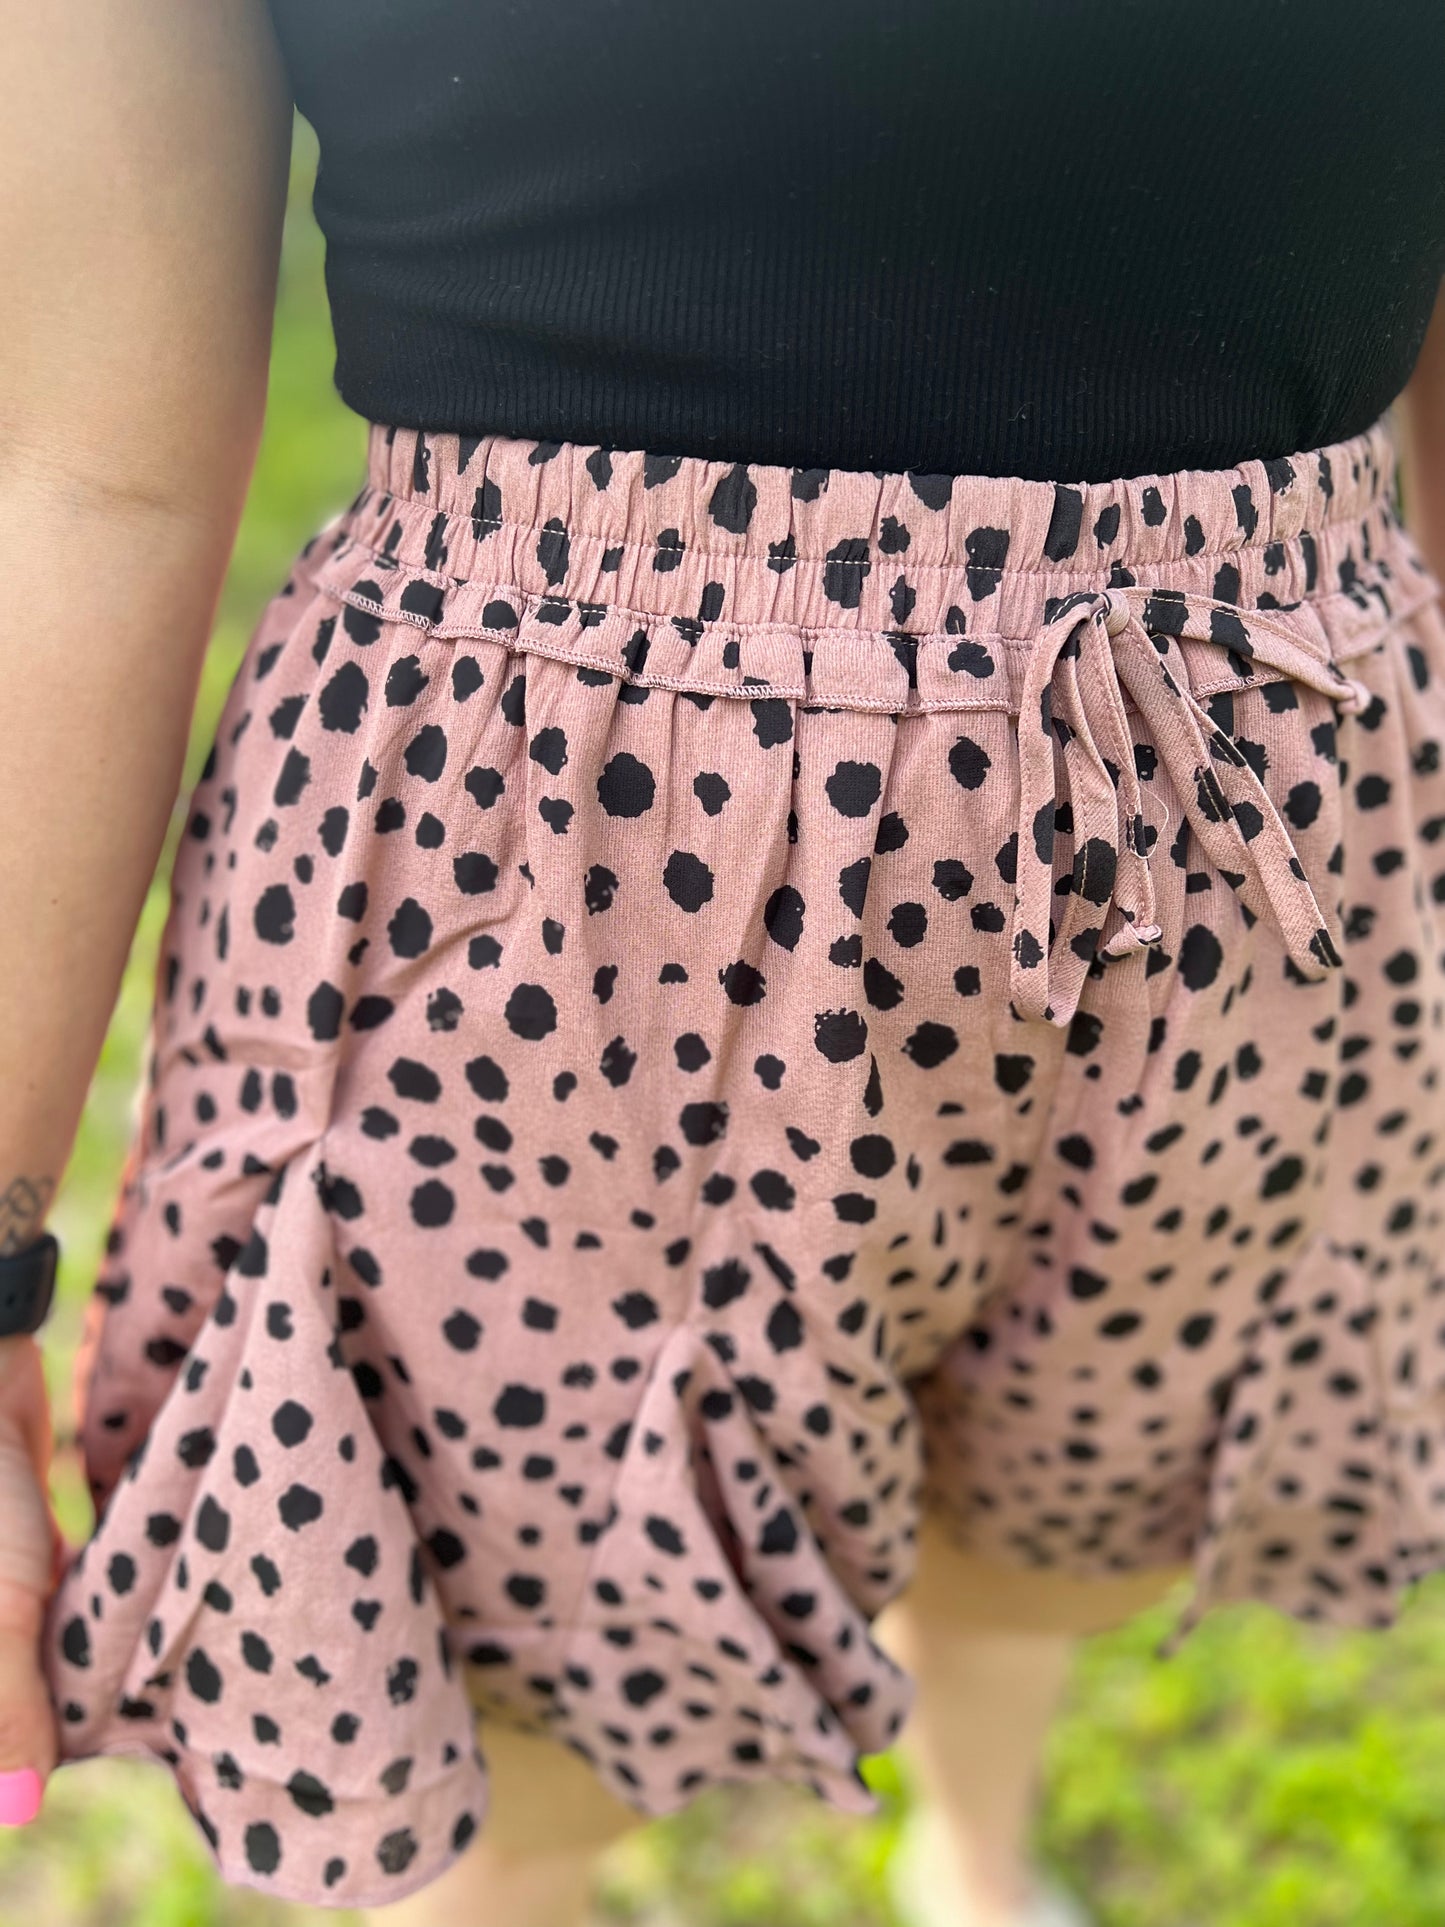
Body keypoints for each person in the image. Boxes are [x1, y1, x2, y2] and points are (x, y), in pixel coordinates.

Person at [3, 4, 1445, 1925]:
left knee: (1070, 1501)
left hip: (1264, 787)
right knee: (512, 1710)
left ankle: (971, 1859)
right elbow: (87, 472)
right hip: (556, 895)